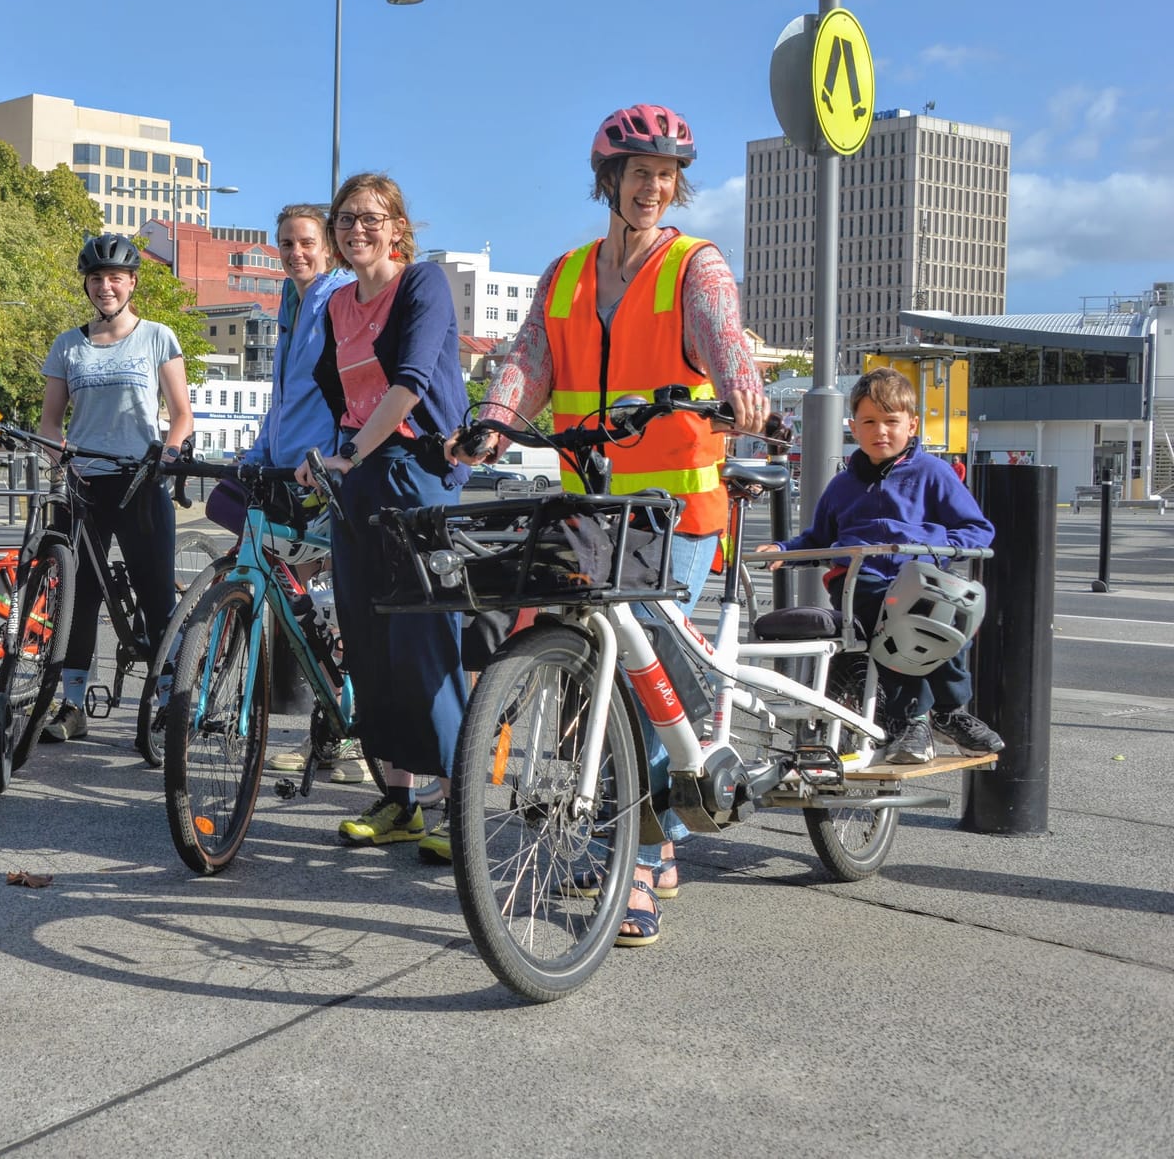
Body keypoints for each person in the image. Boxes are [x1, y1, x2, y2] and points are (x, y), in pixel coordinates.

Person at [463, 105, 768, 945]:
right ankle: (637, 836)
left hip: (677, 513)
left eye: (666, 176)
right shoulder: (565, 274)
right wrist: (492, 420)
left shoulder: (694, 266)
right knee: (588, 675)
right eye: (639, 173)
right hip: (594, 507)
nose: (653, 188)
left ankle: (640, 854)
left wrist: (742, 389)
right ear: (610, 180)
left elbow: (725, 337)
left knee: (645, 678)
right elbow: (528, 360)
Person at [293, 173, 471, 849]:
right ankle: (398, 799)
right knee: (368, 642)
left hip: (416, 470)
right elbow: (336, 392)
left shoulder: (422, 284)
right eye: (345, 218)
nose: (356, 229)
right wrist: (328, 455)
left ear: (397, 227)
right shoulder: (338, 303)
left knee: (424, 639)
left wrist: (350, 452)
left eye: (371, 218)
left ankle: (457, 805)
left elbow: (410, 383)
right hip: (359, 473)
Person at [755, 368, 1002, 762]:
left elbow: (976, 529)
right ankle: (911, 719)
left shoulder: (933, 473)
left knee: (945, 620)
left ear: (912, 425)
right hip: (862, 580)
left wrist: (935, 548)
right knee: (893, 623)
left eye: (891, 421)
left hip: (922, 579)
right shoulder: (842, 485)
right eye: (869, 422)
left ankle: (948, 711)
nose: (880, 431)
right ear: (853, 427)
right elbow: (818, 539)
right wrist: (783, 549)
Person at [38, 233, 195, 741]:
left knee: (156, 595)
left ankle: (170, 699)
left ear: (131, 284)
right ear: (86, 284)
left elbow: (181, 415)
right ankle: (72, 704)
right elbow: (50, 422)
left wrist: (168, 454)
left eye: (115, 278)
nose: (105, 286)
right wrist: (58, 458)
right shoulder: (68, 344)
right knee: (78, 597)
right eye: (96, 278)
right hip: (85, 482)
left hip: (140, 481)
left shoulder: (157, 337)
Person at [237, 204, 365, 783]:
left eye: (307, 242)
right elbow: (285, 396)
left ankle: (354, 739)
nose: (296, 253)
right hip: (289, 471)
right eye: (286, 243)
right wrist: (258, 452)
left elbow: (347, 391)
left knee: (344, 602)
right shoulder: (291, 300)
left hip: (327, 473)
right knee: (297, 602)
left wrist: (340, 456)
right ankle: (329, 730)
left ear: (328, 247)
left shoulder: (337, 296)